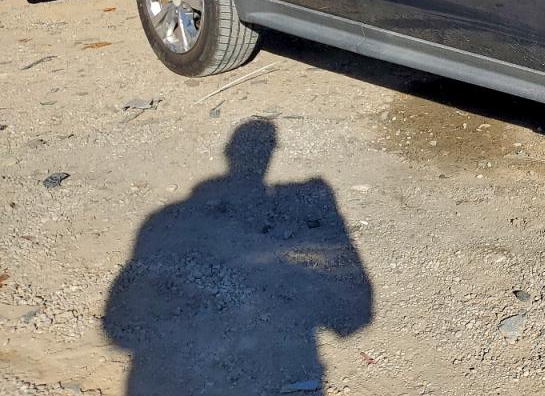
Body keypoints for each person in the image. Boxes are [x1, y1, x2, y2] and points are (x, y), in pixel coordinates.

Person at [103, 120, 373, 394]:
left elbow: (118, 328)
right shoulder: (165, 221)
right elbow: (354, 318)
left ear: (228, 152)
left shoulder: (160, 220)